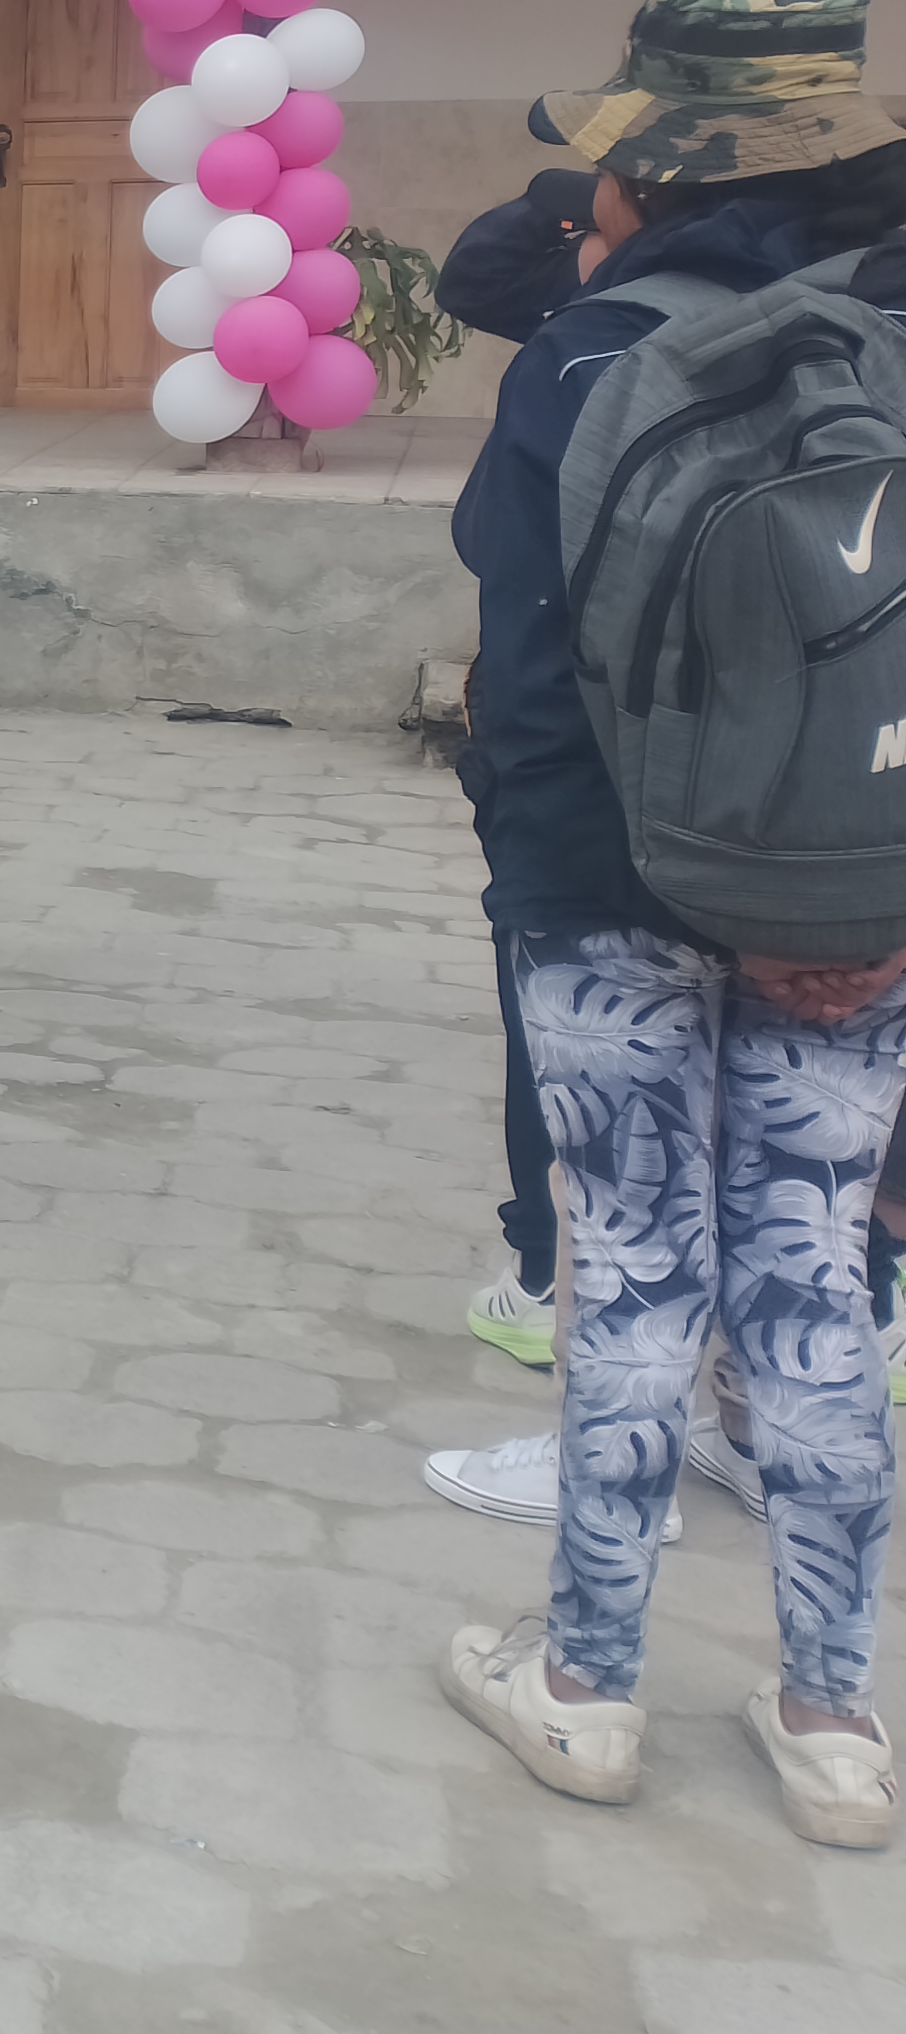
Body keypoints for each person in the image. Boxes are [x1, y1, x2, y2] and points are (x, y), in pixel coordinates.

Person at [427, 0, 906, 1850]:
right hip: (856, 903)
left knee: (632, 1271)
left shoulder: (589, 356)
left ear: (670, 166)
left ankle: (587, 1689)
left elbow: (534, 672)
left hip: (608, 893)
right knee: (817, 1280)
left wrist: (565, 878)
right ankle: (834, 1720)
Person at [430, 161, 610, 1364]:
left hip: (587, 753)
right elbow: (479, 279)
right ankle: (868, 1298)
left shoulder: (592, 343)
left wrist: (580, 195)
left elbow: (492, 539)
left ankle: (550, 1276)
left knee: (563, 1006)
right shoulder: (857, 300)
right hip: (833, 776)